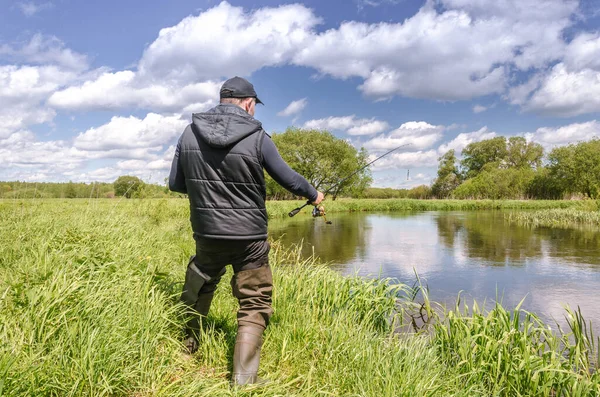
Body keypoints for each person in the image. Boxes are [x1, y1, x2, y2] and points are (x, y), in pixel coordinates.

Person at [168, 76, 324, 386]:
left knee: (201, 286)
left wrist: (207, 193)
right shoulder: (257, 136)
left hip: (207, 233)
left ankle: (186, 349)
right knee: (254, 301)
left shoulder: (189, 133)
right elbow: (288, 179)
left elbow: (175, 183)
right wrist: (314, 194)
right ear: (249, 104)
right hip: (249, 238)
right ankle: (244, 380)